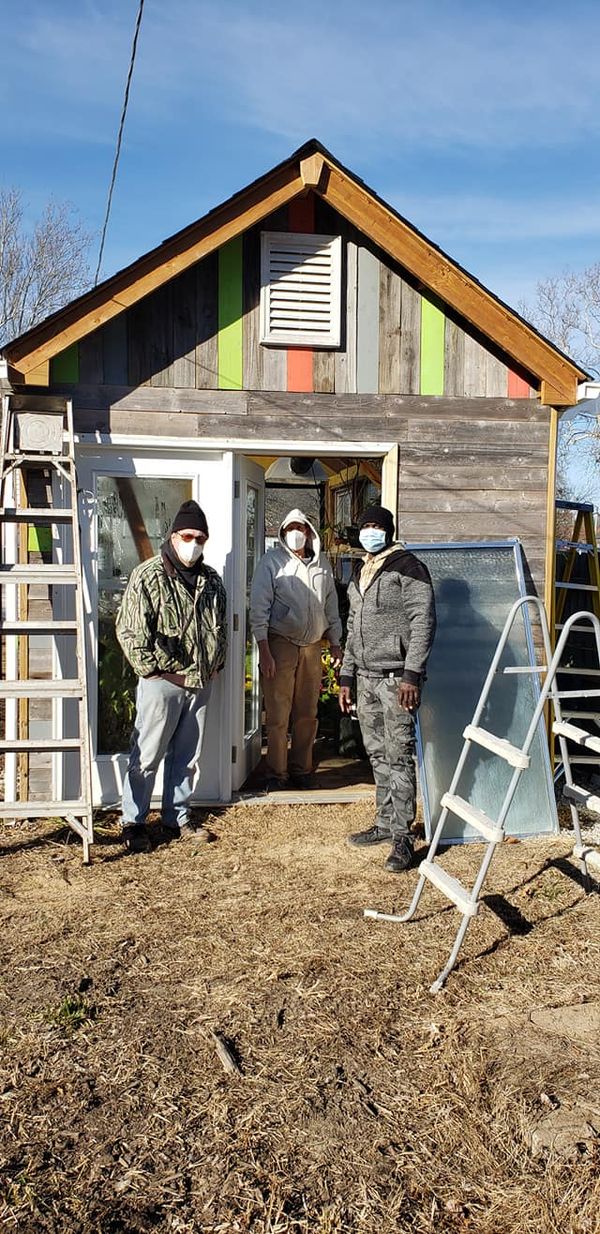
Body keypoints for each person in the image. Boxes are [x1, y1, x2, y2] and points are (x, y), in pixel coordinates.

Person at [116, 499, 227, 853]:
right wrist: (151, 670)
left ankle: (176, 816)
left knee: (187, 756)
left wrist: (216, 662)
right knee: (147, 754)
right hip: (162, 682)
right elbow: (130, 630)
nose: (194, 543)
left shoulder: (211, 580)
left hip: (199, 683)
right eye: (188, 535)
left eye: (201, 538)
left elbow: (221, 624)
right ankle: (133, 821)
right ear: (174, 535)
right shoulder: (148, 575)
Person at [339, 505, 436, 872]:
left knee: (399, 754)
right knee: (377, 754)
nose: (370, 532)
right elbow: (352, 628)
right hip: (364, 678)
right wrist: (347, 676)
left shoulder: (408, 567)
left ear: (389, 531)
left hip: (397, 679)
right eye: (365, 526)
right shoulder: (361, 570)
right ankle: (383, 823)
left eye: (377, 526)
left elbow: (422, 620)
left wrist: (412, 674)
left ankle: (403, 836)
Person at [250, 508, 343, 791]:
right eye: (290, 528)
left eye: (300, 528)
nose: (295, 533)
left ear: (308, 532)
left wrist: (336, 642)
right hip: (281, 643)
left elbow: (331, 606)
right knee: (278, 713)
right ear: (282, 532)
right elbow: (259, 607)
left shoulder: (322, 563)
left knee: (307, 712)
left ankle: (302, 769)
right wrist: (264, 649)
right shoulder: (271, 562)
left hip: (313, 645)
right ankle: (276, 774)